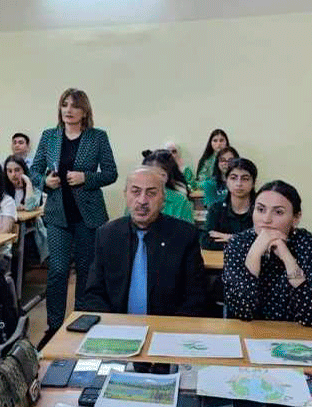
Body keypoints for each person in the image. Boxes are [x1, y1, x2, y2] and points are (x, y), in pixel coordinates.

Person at [29, 88, 118, 335]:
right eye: (65, 105)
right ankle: (54, 327)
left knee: (85, 271)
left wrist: (85, 177)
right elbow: (34, 170)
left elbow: (111, 173)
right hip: (58, 215)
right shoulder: (49, 137)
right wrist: (45, 181)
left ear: (84, 111)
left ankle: (81, 322)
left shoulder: (97, 137)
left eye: (75, 106)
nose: (69, 110)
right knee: (57, 270)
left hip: (88, 217)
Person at [83, 167, 207, 316]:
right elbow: (94, 294)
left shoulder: (184, 236)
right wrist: (112, 326)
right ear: (125, 195)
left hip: (167, 329)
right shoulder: (107, 235)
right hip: (118, 328)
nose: (142, 201)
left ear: (163, 199)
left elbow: (196, 297)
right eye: (135, 192)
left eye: (151, 193)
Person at [223, 180, 312, 327]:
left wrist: (288, 258)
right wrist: (254, 254)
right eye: (260, 210)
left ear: (296, 218)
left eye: (278, 212)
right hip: (250, 332)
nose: (266, 219)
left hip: (299, 335)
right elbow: (243, 311)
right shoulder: (238, 244)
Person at [202, 157, 257, 250]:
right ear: (226, 181)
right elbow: (206, 241)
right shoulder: (216, 209)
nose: (239, 183)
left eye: (245, 179)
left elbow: (264, 242)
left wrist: (230, 238)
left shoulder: (261, 210)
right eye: (233, 178)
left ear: (253, 183)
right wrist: (243, 242)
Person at [5, 155, 48, 262]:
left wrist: (28, 182)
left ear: (24, 170)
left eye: (17, 170)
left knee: (22, 245)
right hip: (7, 227)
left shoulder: (33, 187)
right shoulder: (4, 188)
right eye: (9, 171)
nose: (13, 175)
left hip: (30, 229)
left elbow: (29, 207)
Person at [140, 149, 194, 223]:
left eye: (158, 175)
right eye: (147, 175)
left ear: (166, 176)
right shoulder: (137, 198)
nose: (152, 179)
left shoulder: (180, 201)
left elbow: (189, 232)